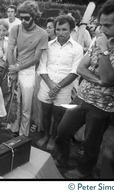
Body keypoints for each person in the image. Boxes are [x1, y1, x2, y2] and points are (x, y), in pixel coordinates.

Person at [55, 0, 114, 179]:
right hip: (81, 98)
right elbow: (81, 68)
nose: (102, 30)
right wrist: (101, 80)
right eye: (100, 24)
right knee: (62, 133)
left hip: (102, 107)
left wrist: (104, 50)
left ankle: (83, 171)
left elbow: (109, 77)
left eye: (107, 25)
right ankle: (62, 159)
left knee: (91, 144)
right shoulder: (97, 41)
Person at [37, 15, 83, 151]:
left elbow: (75, 71)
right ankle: (46, 135)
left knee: (58, 116)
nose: (61, 33)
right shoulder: (48, 46)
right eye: (58, 29)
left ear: (71, 30)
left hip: (64, 89)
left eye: (64, 30)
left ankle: (53, 138)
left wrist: (57, 87)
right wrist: (51, 85)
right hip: (46, 85)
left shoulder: (77, 48)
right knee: (45, 114)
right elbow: (42, 67)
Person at [6, 0, 48, 137]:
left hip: (29, 71)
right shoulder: (15, 29)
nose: (23, 21)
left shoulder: (42, 34)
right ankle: (13, 131)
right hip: (14, 67)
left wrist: (17, 69)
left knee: (26, 107)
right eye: (21, 17)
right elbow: (9, 50)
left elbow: (36, 58)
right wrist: (13, 69)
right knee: (14, 104)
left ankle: (23, 135)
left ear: (34, 17)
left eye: (27, 18)